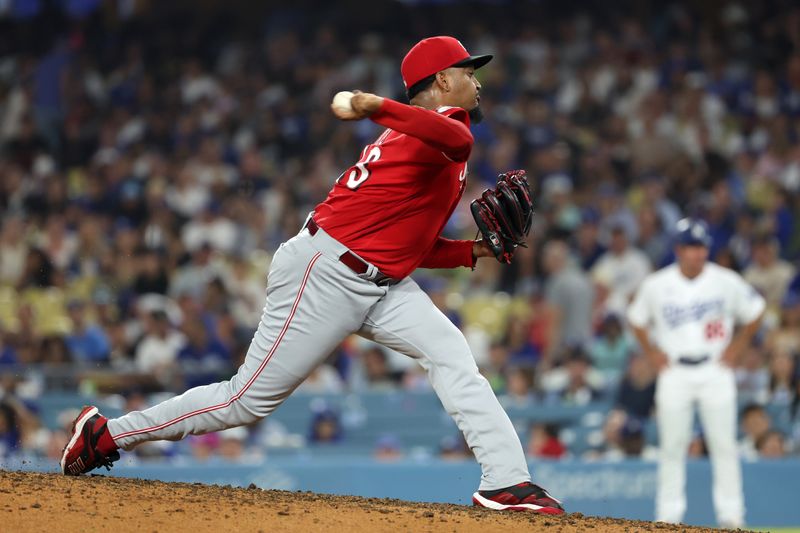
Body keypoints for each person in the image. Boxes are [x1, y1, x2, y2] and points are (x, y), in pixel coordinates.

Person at [59, 36, 563, 515]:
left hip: (378, 278)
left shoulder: (426, 138)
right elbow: (456, 138)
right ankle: (107, 434)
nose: (478, 81)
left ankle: (505, 481)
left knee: (452, 355)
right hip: (325, 272)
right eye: (468, 72)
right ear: (441, 81)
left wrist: (471, 251)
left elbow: (409, 244)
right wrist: (378, 106)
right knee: (245, 401)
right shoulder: (439, 131)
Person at [627, 218, 765, 528]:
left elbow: (756, 310)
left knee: (724, 445)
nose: (697, 253)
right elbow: (635, 318)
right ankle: (668, 516)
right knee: (672, 446)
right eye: (691, 247)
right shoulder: (657, 284)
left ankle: (732, 517)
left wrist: (738, 346)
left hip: (716, 368)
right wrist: (651, 353)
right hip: (675, 370)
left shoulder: (725, 280)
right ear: (678, 250)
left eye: (702, 247)